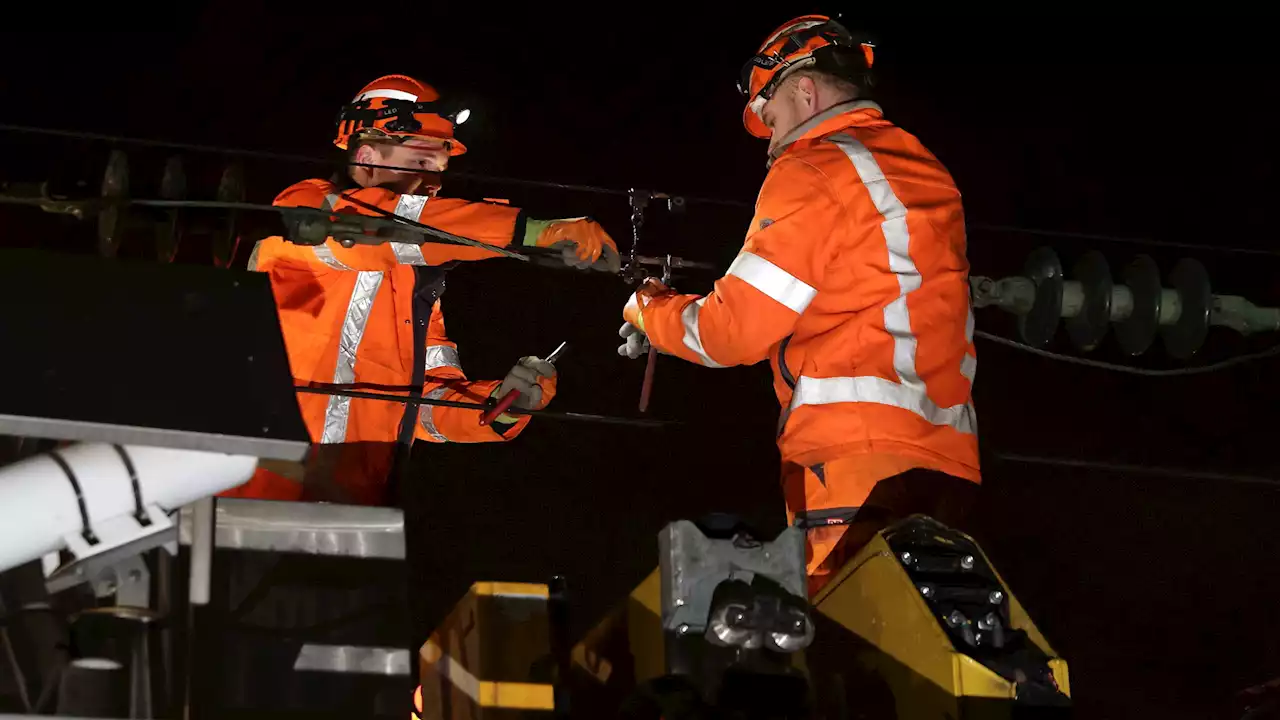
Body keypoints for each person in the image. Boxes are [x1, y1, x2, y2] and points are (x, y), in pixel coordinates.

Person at [618, 17, 980, 594]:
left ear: (804, 92)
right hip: (948, 459)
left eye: (773, 117)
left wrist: (648, 308)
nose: (771, 141)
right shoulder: (922, 168)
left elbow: (728, 333)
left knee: (853, 642)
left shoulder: (813, 167)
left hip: (851, 461)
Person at [225, 74, 620, 503]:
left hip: (358, 507)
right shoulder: (306, 212)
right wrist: (528, 232)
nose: (434, 182)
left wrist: (499, 406)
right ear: (367, 156)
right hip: (262, 493)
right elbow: (384, 226)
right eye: (421, 162)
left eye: (439, 168)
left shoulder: (413, 279)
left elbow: (421, 406)